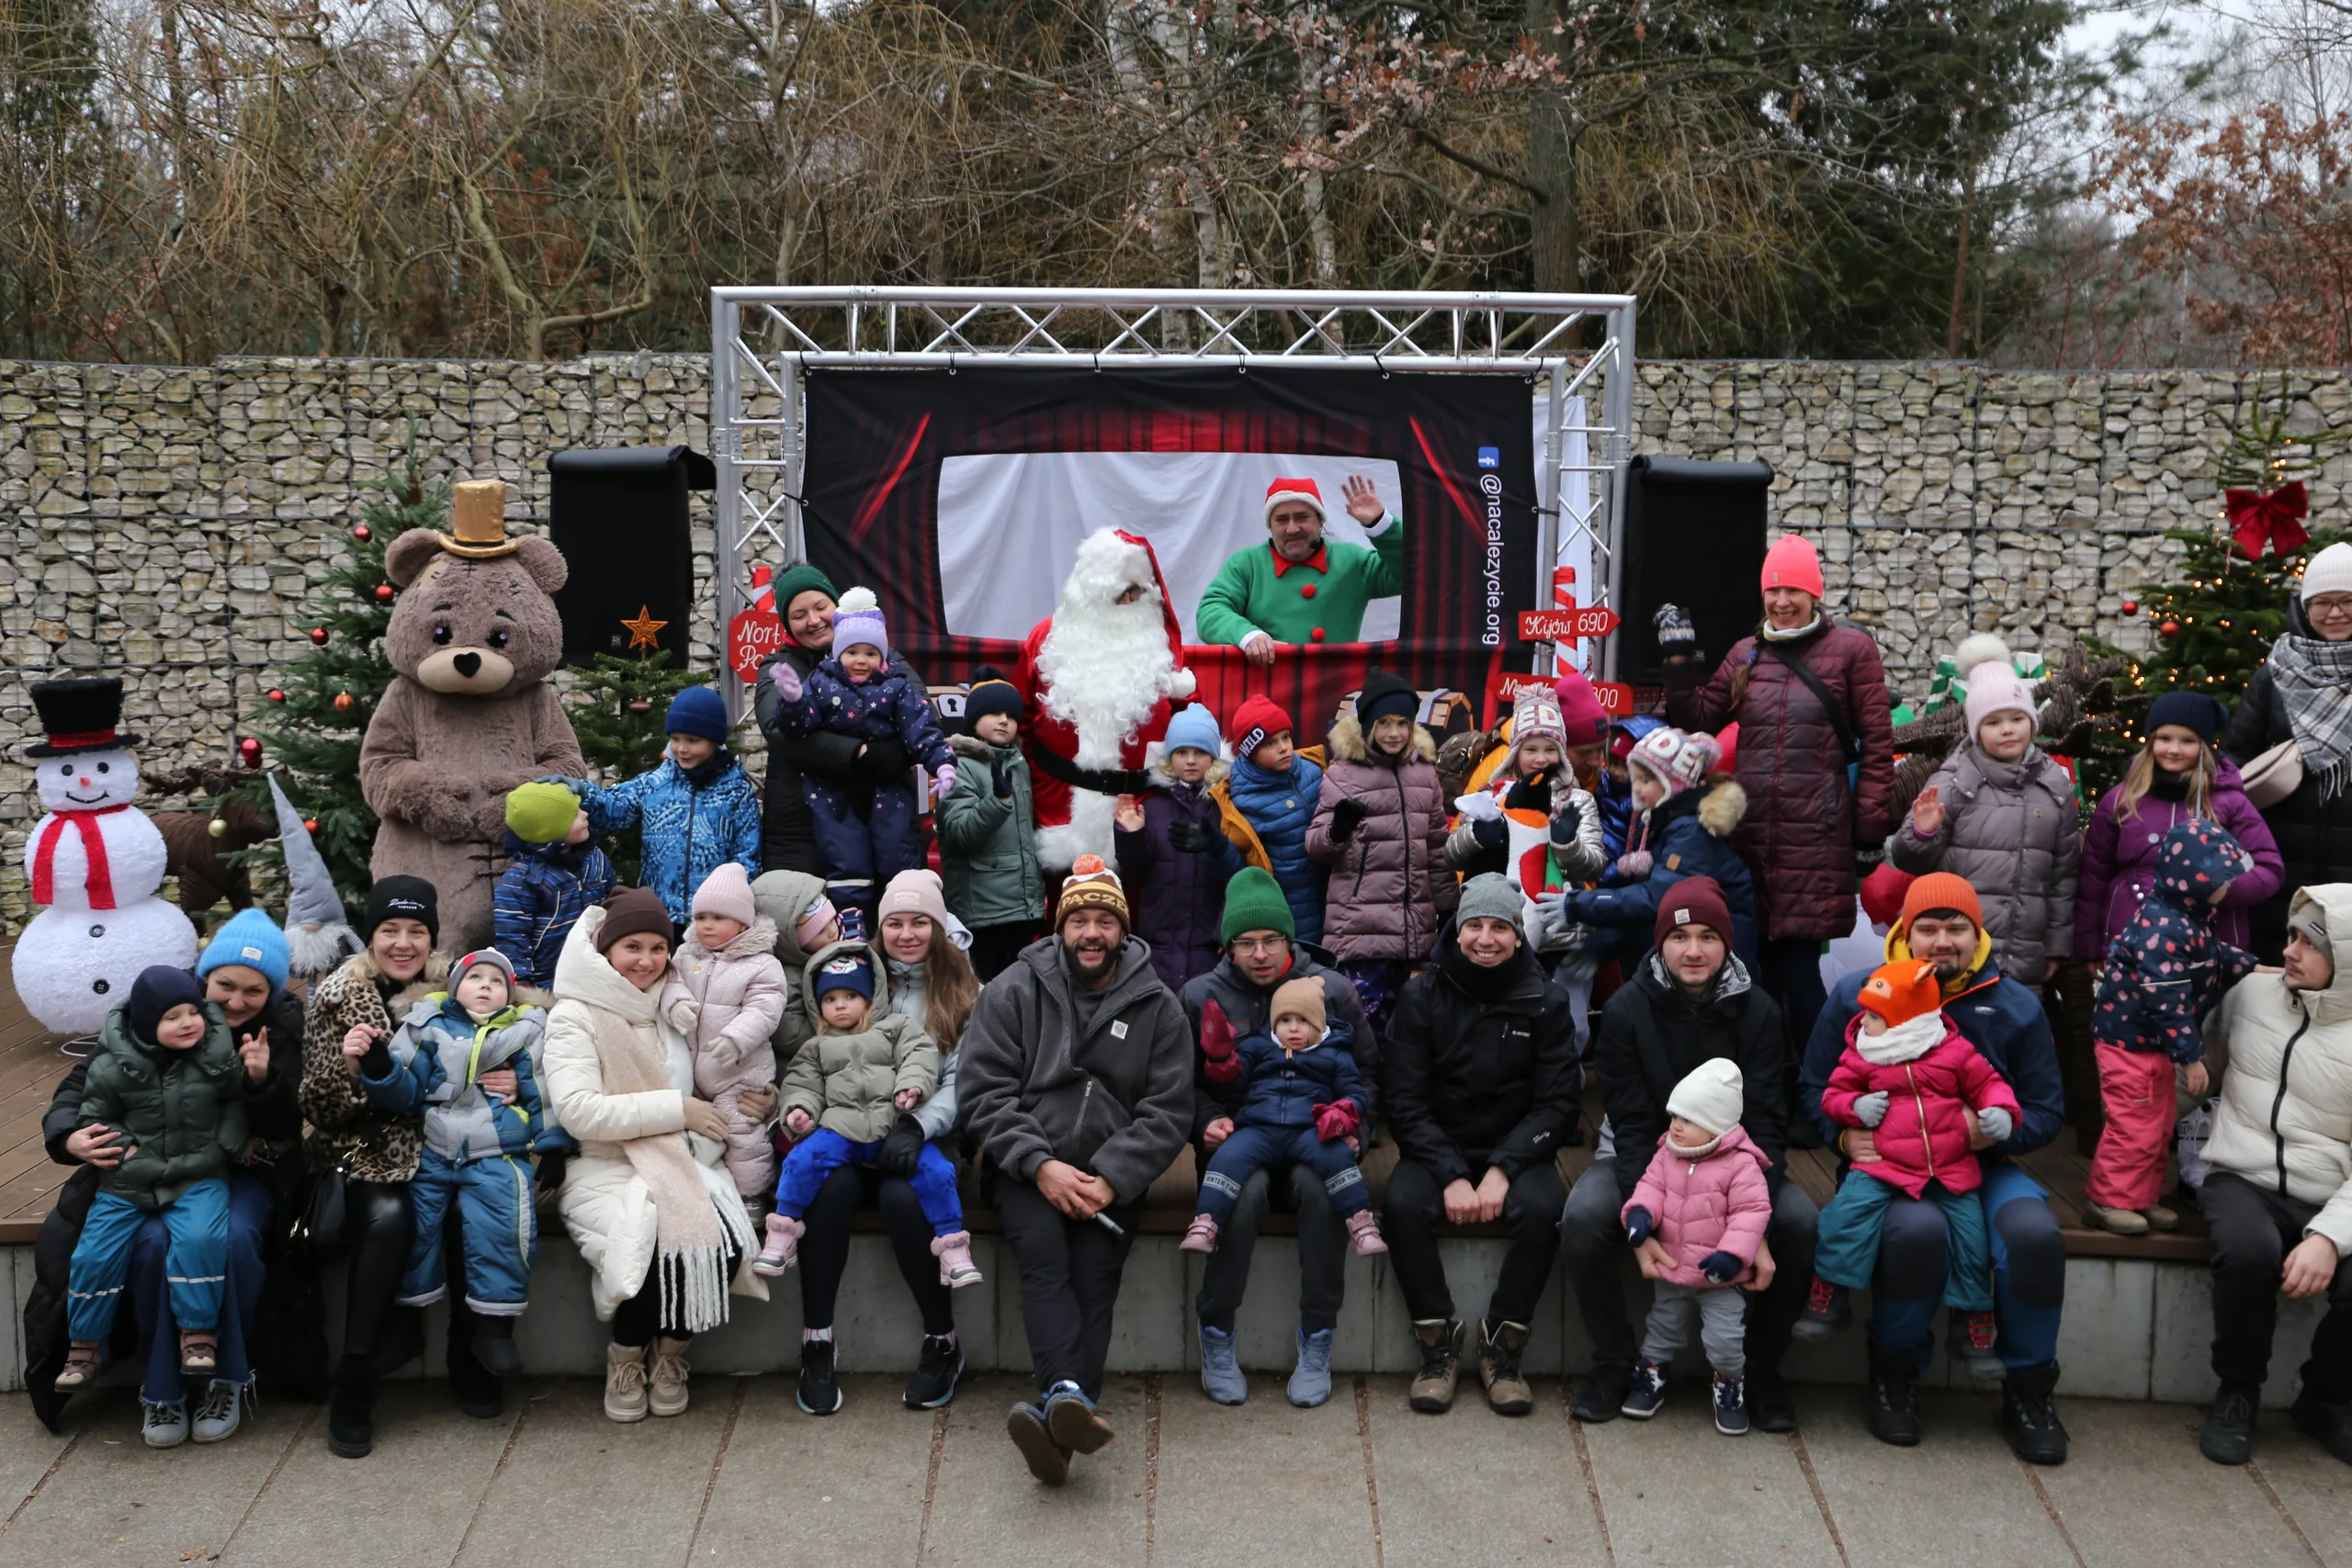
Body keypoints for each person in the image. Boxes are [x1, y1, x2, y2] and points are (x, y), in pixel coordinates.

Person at [1800, 872, 2071, 1462]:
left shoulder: (2015, 1003)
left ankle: (2028, 1389)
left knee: (2033, 1236)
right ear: (1904, 931)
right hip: (1886, 1164)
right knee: (1914, 1232)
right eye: (1929, 927)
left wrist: (1992, 1128)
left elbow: (2048, 1110)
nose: (1942, 940)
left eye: (1957, 928)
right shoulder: (1856, 996)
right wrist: (1845, 1138)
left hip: (1982, 1164)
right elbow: (1815, 1086)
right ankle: (1895, 1374)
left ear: (1977, 934)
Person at [957, 858, 1194, 1485]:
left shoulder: (1158, 1004)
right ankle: (1070, 1398)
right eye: (1080, 920)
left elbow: (1169, 1108)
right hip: (1027, 1165)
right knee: (1044, 1258)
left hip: (1112, 1174)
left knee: (1095, 1274)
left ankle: (1059, 1419)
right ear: (1061, 926)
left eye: (1104, 921)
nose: (1092, 932)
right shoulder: (1013, 986)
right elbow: (982, 1093)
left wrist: (1114, 1175)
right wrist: (1042, 1166)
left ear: (1122, 929)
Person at [1563, 877, 1816, 1434]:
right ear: (1661, 945)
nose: (1694, 950)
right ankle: (1614, 1362)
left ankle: (1760, 1369)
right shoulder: (1628, 1010)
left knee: (1799, 1222)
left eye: (1707, 936)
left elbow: (1769, 1119)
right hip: (1644, 1163)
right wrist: (1644, 1217)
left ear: (1727, 944)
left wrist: (1755, 1225)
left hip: (1739, 1165)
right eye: (1680, 937)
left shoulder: (1760, 1013)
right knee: (1582, 1219)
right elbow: (1629, 1122)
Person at [1666, 536, 1895, 1095]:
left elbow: (1878, 746)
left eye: (1793, 589)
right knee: (1752, 966)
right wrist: (1678, 657)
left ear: (1814, 592)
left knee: (1797, 968)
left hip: (1813, 839)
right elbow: (1696, 715)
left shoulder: (1851, 651)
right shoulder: (1747, 652)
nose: (1782, 600)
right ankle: (1762, 1089)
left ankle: (1820, 1091)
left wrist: (1867, 831)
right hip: (1748, 840)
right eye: (1773, 589)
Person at [544, 889, 766, 1425]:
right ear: (605, 950)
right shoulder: (576, 1013)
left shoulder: (677, 1004)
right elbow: (580, 1111)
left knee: (725, 1244)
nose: (647, 961)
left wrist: (761, 1096)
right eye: (632, 947)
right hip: (608, 1162)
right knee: (649, 1244)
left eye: (658, 948)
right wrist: (677, 1110)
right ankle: (625, 1357)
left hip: (687, 1155)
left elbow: (722, 1074)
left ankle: (671, 1354)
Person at [1381, 874, 1581, 1417]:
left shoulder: (1547, 999)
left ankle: (1503, 1345)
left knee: (1544, 1208)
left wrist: (1502, 1169)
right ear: (1457, 930)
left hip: (1516, 1146)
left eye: (1500, 927)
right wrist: (1449, 1172)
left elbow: (1559, 1103)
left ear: (1519, 936)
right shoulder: (1422, 994)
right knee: (1400, 1205)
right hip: (1436, 1144)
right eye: (1474, 926)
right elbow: (1403, 1099)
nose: (1485, 939)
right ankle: (1437, 1342)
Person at [1181, 866, 1375, 1408]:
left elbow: (1369, 1073)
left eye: (1271, 941)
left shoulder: (1331, 990)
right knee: (1243, 1201)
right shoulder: (1200, 996)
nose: (1260, 953)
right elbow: (1179, 1082)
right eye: (1246, 943)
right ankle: (1216, 1331)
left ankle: (1317, 1339)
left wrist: (1360, 1127)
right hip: (1240, 1142)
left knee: (1322, 1196)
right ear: (1229, 946)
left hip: (1317, 1136)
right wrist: (1205, 1122)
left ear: (1289, 940)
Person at [789, 867, 980, 1415]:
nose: (907, 934)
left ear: (938, 928)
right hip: (850, 1131)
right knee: (827, 1190)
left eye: (920, 922)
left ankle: (942, 1340)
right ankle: (817, 1340)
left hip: (928, 1133)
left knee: (903, 1197)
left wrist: (919, 1126)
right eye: (895, 922)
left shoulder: (968, 991)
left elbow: (963, 1080)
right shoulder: (852, 977)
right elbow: (817, 1063)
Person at [2192, 886, 2352, 1469]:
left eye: (2309, 944)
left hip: (2331, 1190)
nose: (2288, 952)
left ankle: (2326, 1402)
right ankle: (2237, 1394)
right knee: (2249, 1252)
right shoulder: (2251, 992)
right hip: (2242, 1174)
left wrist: (2330, 1239)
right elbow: (2199, 1068)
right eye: (2291, 936)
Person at [1801, 958, 2022, 1377]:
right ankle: (1830, 1291)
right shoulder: (1863, 1053)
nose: (1864, 1021)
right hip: (1883, 1163)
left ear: (1908, 1020)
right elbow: (1832, 1095)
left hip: (1950, 1168)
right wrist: (1854, 1107)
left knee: (1973, 1244)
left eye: (1875, 1014)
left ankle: (1972, 1323)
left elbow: (1990, 1084)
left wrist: (2000, 1112)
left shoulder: (1954, 1051)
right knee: (1843, 1216)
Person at [352, 947, 565, 1377]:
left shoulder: (524, 1030)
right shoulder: (426, 1023)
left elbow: (542, 1086)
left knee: (505, 1224)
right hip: (435, 1146)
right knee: (415, 1228)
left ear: (510, 994)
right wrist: (379, 1067)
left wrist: (553, 1143)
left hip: (496, 1150)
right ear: (453, 988)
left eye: (496, 981)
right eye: (475, 978)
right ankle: (407, 1322)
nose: (485, 986)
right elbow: (406, 1091)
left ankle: (494, 1327)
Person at [302, 876, 446, 1459]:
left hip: (443, 1144)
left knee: (475, 1200)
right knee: (387, 1216)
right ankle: (355, 1378)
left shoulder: (456, 993)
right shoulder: (339, 994)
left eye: (417, 931)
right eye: (390, 930)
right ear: (371, 937)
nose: (403, 943)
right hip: (359, 1151)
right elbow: (317, 1108)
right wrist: (353, 1073)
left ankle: (470, 1356)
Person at [54, 968, 245, 1400]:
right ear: (145, 1025)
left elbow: (233, 1099)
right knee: (93, 1253)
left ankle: (197, 1335)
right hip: (128, 1180)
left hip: (198, 1174)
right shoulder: (111, 1065)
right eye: (172, 1017)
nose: (188, 1023)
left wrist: (228, 1139)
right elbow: (92, 1116)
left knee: (200, 1240)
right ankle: (85, 1345)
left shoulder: (217, 1055)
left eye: (193, 1012)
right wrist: (125, 1149)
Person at [761, 947, 979, 1294]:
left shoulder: (895, 1028)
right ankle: (783, 1233)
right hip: (840, 1131)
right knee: (801, 1160)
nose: (841, 1005)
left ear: (871, 997)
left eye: (851, 995)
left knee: (937, 1170)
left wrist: (912, 1085)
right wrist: (799, 1112)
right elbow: (803, 1086)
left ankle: (952, 1245)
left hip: (892, 1128)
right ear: (818, 1005)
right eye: (830, 998)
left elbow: (919, 1055)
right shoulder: (815, 1047)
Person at [2083, 820, 2258, 1235]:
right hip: (2130, 1042)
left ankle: (2142, 1198)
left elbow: (2210, 955)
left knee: (2158, 1124)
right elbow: (2167, 999)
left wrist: (2253, 967)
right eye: (2223, 880)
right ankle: (2106, 1200)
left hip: (2153, 1044)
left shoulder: (2189, 917)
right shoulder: (2164, 927)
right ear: (2193, 881)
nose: (2229, 888)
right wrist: (2192, 1057)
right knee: (2133, 1123)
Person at [762, 588, 957, 932]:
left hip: (888, 791)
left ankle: (903, 927)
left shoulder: (895, 680)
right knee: (846, 862)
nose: (861, 659)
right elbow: (789, 730)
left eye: (820, 607)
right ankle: (851, 925)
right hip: (829, 796)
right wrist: (793, 700)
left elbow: (922, 724)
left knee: (897, 858)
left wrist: (940, 763)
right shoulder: (818, 680)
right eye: (853, 652)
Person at [1887, 666, 2080, 993]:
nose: (2007, 730)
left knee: (2013, 1033)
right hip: (1957, 953)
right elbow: (1910, 861)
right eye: (1993, 722)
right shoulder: (1953, 783)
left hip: (2024, 954)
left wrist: (2056, 947)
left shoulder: (2055, 787)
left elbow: (2063, 877)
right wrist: (1922, 834)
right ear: (1977, 730)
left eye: (2017, 719)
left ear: (2032, 724)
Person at [1181, 976, 1387, 1263]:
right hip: (1258, 1127)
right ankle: (1206, 1222)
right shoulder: (1258, 1047)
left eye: (1302, 1020)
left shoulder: (1335, 1055)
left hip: (1310, 1130)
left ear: (1318, 1024)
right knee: (1226, 1157)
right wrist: (1220, 1057)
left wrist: (1344, 1110)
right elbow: (1234, 1081)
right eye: (1285, 1019)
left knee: (1339, 1156)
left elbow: (1354, 1090)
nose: (1292, 1027)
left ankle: (1361, 1224)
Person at [1618, 1058, 1774, 1435]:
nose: (1676, 1126)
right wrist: (1639, 1216)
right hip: (1672, 1267)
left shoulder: (1741, 1165)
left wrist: (1732, 1256)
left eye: (1688, 1119)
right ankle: (1651, 1375)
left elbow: (1751, 1214)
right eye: (1674, 1116)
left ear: (1718, 1124)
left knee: (1725, 1338)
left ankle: (1730, 1384)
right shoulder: (1667, 1153)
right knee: (1662, 1326)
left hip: (1720, 1276)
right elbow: (1650, 1188)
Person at [1306, 670, 1455, 1045]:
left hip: (1415, 934)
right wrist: (1337, 830)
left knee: (1412, 1037)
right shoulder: (1342, 774)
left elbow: (1436, 848)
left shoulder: (1425, 773)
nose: (1393, 733)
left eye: (1402, 723)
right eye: (1384, 723)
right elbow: (1317, 847)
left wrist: (1449, 909)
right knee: (1365, 1039)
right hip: (1359, 933)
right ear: (1368, 725)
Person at [754, 563, 933, 876]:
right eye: (798, 615)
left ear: (837, 606)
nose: (813, 621)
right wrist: (860, 753)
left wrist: (896, 753)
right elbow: (779, 731)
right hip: (802, 826)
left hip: (886, 814)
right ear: (786, 623)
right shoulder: (779, 667)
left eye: (820, 607)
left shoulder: (882, 656)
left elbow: (924, 714)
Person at [2081, 692, 2282, 967]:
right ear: (2151, 741)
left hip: (2212, 950)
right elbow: (2093, 877)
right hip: (2132, 942)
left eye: (2187, 741)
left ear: (2205, 746)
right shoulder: (2121, 801)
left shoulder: (2231, 803)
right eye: (2164, 739)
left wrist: (2225, 890)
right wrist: (2091, 948)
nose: (2174, 749)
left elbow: (2269, 868)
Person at [2224, 539, 2352, 959]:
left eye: (2348, 600)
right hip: (2281, 858)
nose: (2335, 613)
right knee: (2284, 972)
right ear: (2305, 607)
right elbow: (2236, 758)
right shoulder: (2276, 673)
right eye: (2323, 602)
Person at [1549, 727, 1758, 975]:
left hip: (1722, 975)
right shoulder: (1667, 822)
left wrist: (1580, 904)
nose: (1635, 788)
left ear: (1673, 785)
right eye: (1634, 778)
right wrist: (1607, 940)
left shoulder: (1692, 832)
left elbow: (1659, 898)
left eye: (1645, 781)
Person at [550, 688, 763, 929]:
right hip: (659, 914)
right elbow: (612, 809)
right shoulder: (654, 783)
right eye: (675, 738)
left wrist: (733, 906)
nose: (682, 748)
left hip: (712, 919)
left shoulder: (736, 792)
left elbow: (747, 856)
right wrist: (581, 791)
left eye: (693, 740)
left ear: (715, 741)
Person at [661, 863, 789, 1213]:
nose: (706, 926)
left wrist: (735, 1038)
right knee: (695, 1133)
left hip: (738, 1072)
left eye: (717, 918)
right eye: (701, 917)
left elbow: (765, 1009)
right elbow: (669, 984)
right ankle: (701, 1191)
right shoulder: (687, 955)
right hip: (692, 1066)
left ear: (743, 924)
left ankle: (752, 1196)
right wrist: (676, 1006)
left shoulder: (762, 964)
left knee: (743, 1133)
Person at [1197, 475, 1406, 664]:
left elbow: (1407, 575)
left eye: (1302, 517)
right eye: (1281, 519)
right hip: (1268, 690)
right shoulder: (1245, 563)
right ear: (1269, 525)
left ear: (1320, 521)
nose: (1292, 529)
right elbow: (1210, 611)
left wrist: (1381, 525)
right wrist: (1249, 636)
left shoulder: (1352, 560)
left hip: (1337, 688)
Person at [1115, 701, 1245, 997]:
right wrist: (1130, 834)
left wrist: (1216, 845)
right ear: (1169, 757)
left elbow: (1239, 871)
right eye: (1182, 752)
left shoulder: (1226, 805)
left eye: (1200, 752)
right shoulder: (1152, 804)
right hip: (1157, 947)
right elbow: (1135, 870)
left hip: (1209, 948)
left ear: (1212, 757)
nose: (1190, 760)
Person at [939, 667, 1045, 979]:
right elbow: (959, 832)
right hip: (983, 915)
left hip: (1023, 910)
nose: (1004, 720)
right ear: (973, 720)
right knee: (988, 997)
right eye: (994, 713)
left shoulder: (1020, 765)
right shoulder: (958, 766)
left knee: (1020, 997)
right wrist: (997, 802)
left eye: (1011, 716)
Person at [1217, 695, 1329, 944]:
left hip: (1330, 897)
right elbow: (1241, 868)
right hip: (1287, 909)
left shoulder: (1314, 769)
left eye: (1286, 737)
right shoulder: (1242, 799)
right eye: (1270, 743)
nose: (1283, 748)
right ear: (1250, 752)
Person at [492, 780, 615, 991]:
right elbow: (513, 939)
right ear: (549, 832)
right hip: (549, 984)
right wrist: (523, 988)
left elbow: (614, 903)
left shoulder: (595, 858)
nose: (585, 814)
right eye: (574, 815)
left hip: (598, 974)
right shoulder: (522, 880)